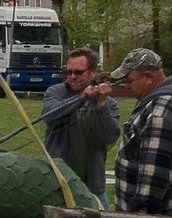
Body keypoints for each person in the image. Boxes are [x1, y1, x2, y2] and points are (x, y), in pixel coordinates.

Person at [106, 48, 172, 217]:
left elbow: (153, 180)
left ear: (148, 78)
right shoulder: (162, 102)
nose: (127, 86)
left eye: (129, 80)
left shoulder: (162, 111)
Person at [39, 46, 120, 203]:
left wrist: (101, 104)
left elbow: (110, 136)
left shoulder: (109, 103)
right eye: (68, 72)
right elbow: (49, 115)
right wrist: (80, 99)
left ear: (92, 72)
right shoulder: (55, 92)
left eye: (78, 72)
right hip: (58, 185)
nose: (72, 77)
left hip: (93, 189)